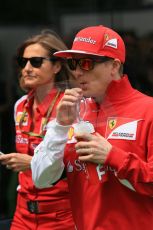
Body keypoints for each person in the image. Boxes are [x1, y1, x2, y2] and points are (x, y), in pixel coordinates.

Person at [31, 25, 153, 230]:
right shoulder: (71, 113)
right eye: (72, 63)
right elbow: (41, 178)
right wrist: (60, 127)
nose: (77, 72)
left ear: (114, 66)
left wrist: (113, 156)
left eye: (86, 63)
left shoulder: (148, 110)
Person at [0, 30, 75, 229]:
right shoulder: (20, 105)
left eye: (35, 62)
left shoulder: (72, 106)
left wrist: (32, 163)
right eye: (22, 62)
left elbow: (78, 165)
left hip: (62, 215)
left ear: (57, 66)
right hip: (22, 213)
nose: (26, 68)